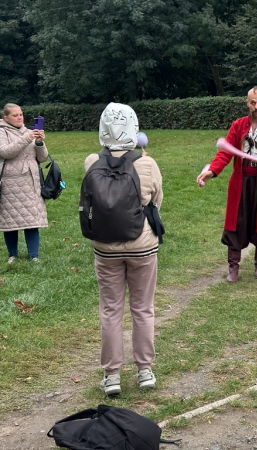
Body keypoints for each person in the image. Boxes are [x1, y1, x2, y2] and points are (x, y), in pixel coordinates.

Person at [84, 103, 163, 395]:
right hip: (142, 245)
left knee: (110, 310)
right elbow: (157, 201)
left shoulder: (92, 161)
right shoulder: (147, 164)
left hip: (105, 247)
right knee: (143, 309)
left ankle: (112, 375)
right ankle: (145, 371)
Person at [196, 87, 257, 282]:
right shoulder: (238, 125)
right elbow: (225, 152)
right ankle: (233, 267)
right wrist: (212, 171)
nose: (256, 106)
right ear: (247, 103)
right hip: (241, 182)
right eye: (252, 102)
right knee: (236, 224)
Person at [0, 103, 48, 263]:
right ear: (5, 118)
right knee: (10, 220)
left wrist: (40, 142)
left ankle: (34, 255)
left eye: (21, 114)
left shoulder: (29, 132)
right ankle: (12, 255)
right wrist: (27, 138)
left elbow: (42, 158)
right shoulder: (2, 131)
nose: (20, 117)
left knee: (32, 220)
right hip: (10, 182)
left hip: (31, 181)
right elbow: (6, 152)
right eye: (15, 115)